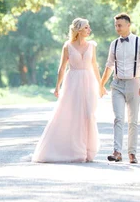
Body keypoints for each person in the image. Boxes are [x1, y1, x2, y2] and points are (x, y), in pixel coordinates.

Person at [32, 18, 106, 163]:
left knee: (89, 114)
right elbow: (62, 68)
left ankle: (88, 150)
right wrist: (57, 86)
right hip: (72, 82)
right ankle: (76, 151)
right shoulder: (68, 46)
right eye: (86, 27)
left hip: (89, 81)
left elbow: (95, 66)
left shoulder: (92, 46)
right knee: (73, 115)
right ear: (78, 30)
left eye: (89, 27)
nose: (89, 30)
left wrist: (101, 85)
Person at [100, 13, 140, 164]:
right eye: (116, 25)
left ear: (128, 25)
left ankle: (132, 153)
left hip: (134, 83)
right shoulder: (114, 44)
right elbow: (109, 66)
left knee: (133, 120)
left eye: (120, 25)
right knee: (118, 118)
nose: (117, 28)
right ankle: (117, 152)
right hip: (117, 84)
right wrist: (101, 84)